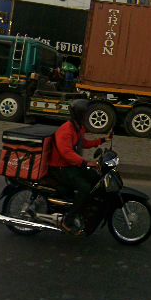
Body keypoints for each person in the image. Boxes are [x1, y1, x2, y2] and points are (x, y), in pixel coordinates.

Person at [48, 99, 110, 234]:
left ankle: (85, 209)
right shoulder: (67, 130)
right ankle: (67, 221)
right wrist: (85, 163)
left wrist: (102, 140)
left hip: (70, 165)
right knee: (85, 188)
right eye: (85, 114)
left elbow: (83, 143)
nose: (87, 116)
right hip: (60, 168)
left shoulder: (78, 127)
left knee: (95, 177)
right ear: (79, 114)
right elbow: (66, 153)